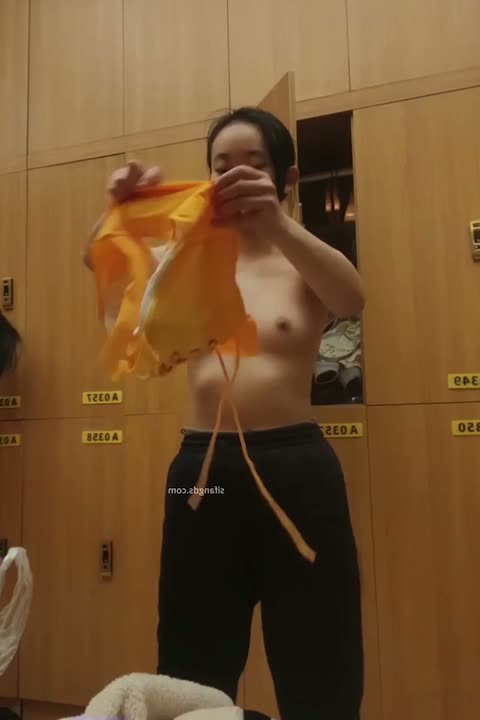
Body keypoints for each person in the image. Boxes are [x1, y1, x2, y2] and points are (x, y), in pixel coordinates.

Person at [85, 108, 365, 720]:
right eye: (221, 166)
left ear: (286, 177)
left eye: (253, 165)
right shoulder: (185, 257)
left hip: (298, 470)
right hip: (202, 473)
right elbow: (105, 264)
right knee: (191, 655)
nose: (235, 176)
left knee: (320, 655)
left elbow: (351, 298)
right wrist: (119, 210)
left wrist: (278, 222)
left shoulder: (302, 259)